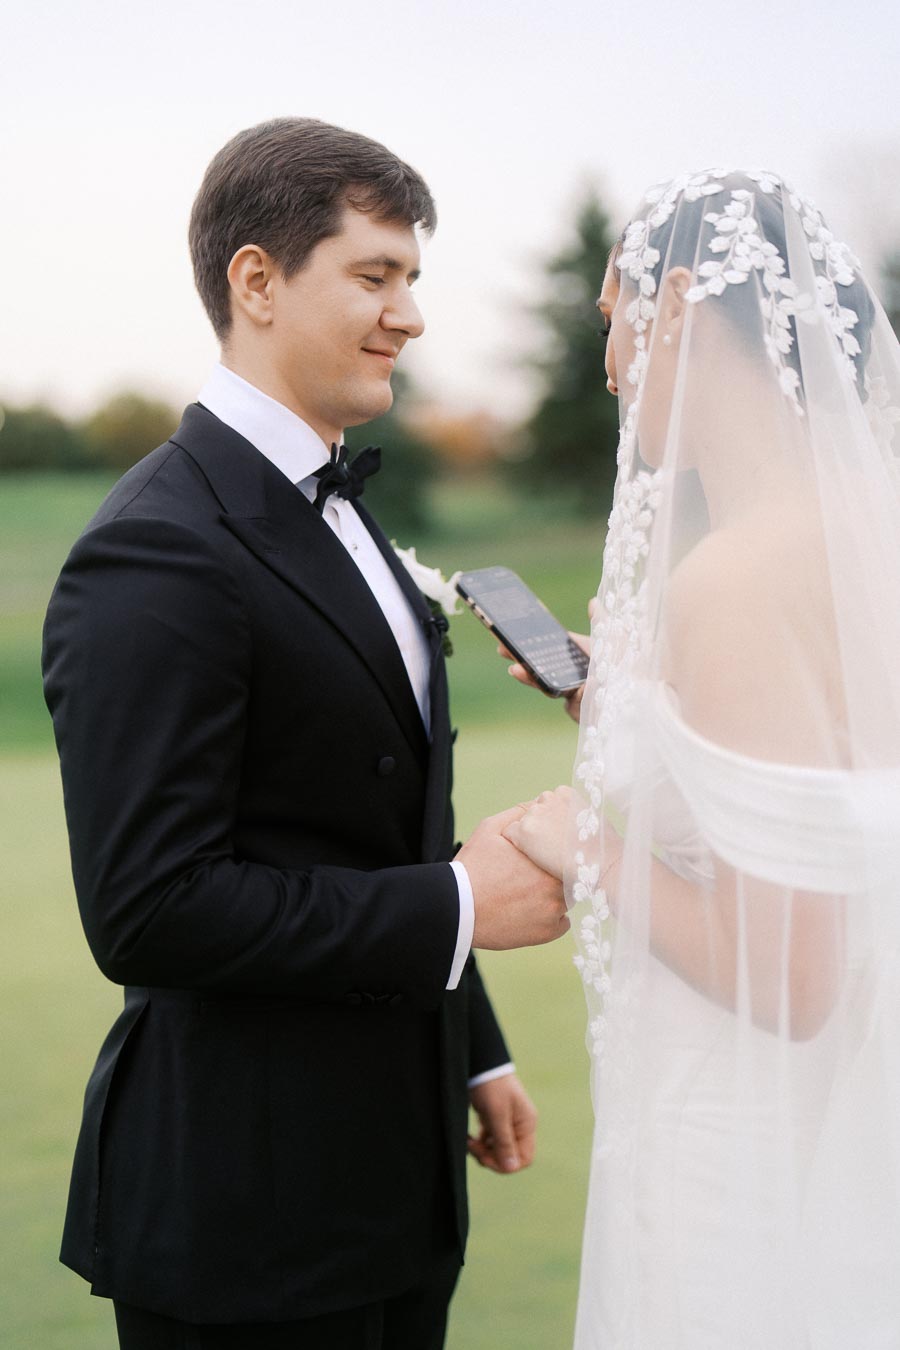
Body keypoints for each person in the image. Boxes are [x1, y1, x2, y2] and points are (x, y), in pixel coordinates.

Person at [42, 117, 568, 1350]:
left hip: (399, 1181)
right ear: (258, 281)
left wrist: (474, 1049)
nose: (410, 315)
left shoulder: (347, 513)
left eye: (413, 280)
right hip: (247, 1216)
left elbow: (378, 827)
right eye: (375, 276)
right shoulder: (156, 546)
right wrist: (457, 908)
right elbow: (149, 907)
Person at [503, 168, 900, 1347]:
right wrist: (631, 712)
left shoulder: (732, 577)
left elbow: (794, 974)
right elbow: (821, 787)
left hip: (740, 1136)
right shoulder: (858, 542)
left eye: (615, 319)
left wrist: (583, 846)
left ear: (677, 300)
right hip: (839, 1129)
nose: (614, 367)